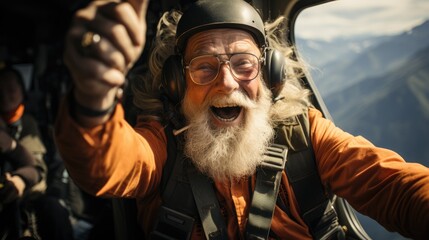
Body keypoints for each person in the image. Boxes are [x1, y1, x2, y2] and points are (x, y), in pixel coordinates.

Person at [55, 0, 429, 239]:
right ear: (176, 83)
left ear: (269, 74)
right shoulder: (160, 145)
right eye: (204, 67)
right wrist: (94, 97)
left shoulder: (307, 135)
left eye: (243, 64)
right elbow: (107, 166)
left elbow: (394, 186)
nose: (227, 82)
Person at [0, 65, 73, 240]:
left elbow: (36, 166)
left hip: (29, 195)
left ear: (22, 90)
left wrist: (20, 180)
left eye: (10, 88)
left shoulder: (28, 122)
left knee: (54, 211)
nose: (4, 95)